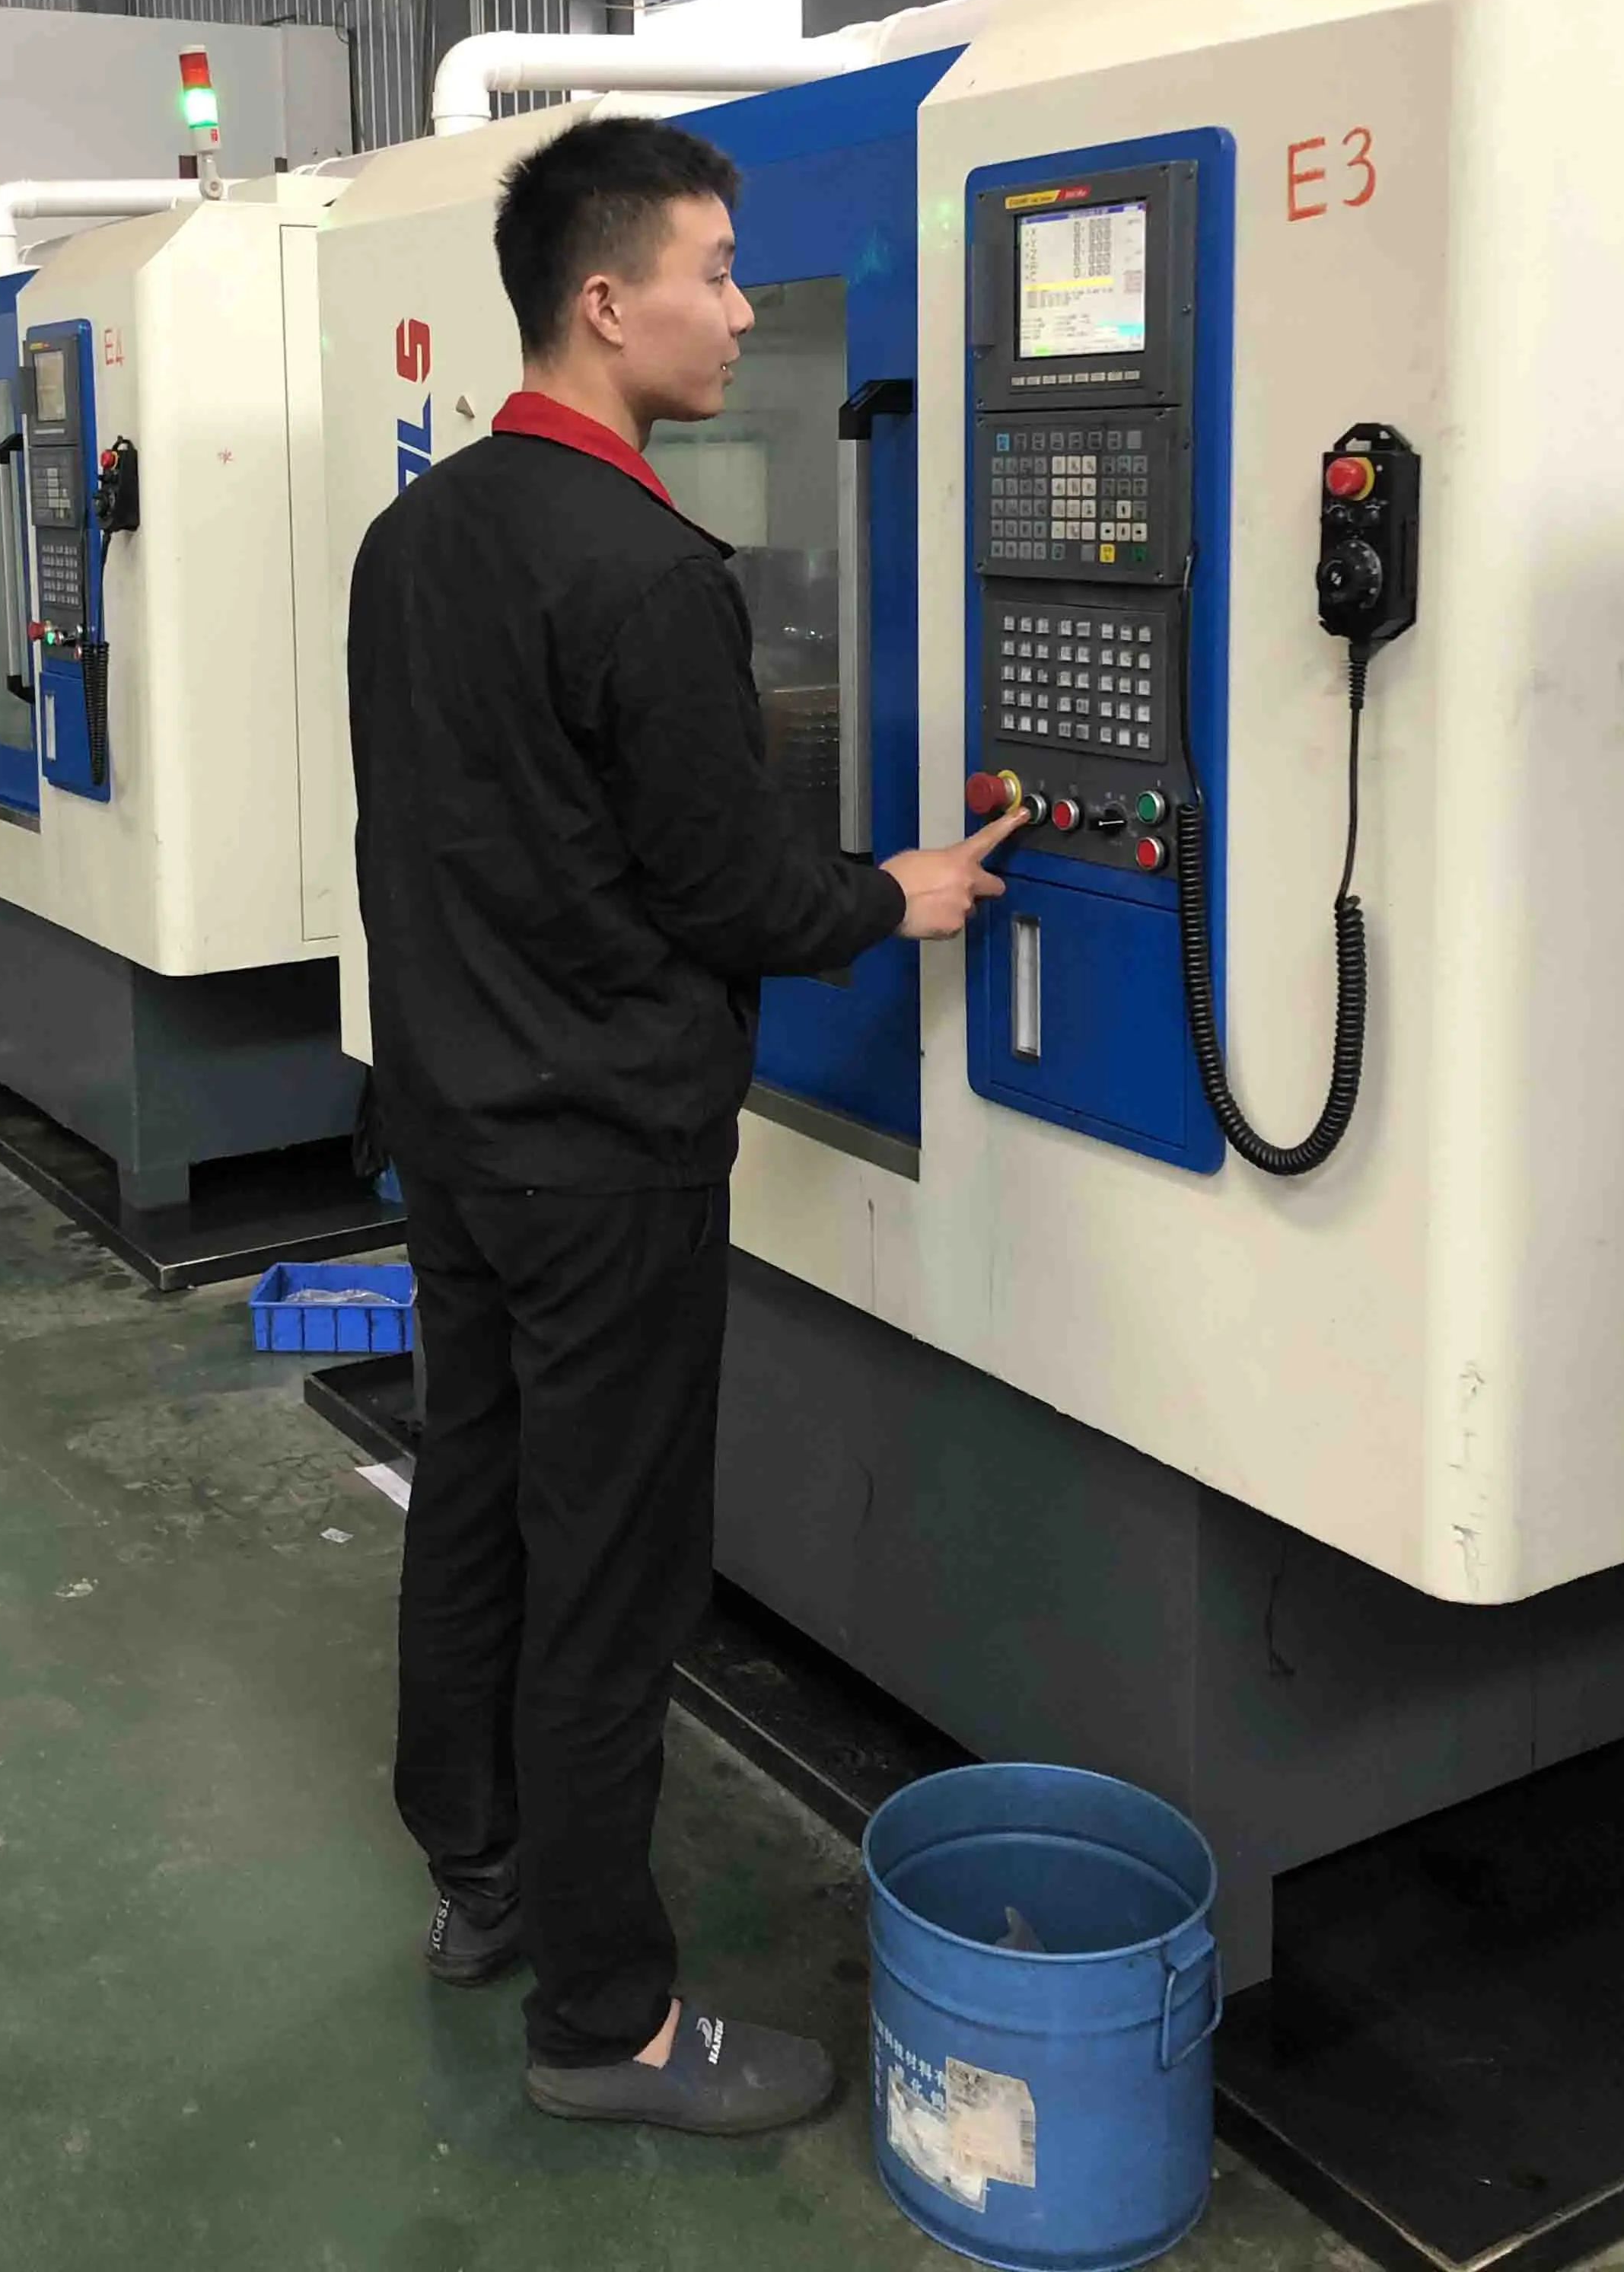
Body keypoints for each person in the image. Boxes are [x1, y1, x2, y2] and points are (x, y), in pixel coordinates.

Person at [346, 116, 1024, 2137]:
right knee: (611, 1576)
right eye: (715, 273)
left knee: (475, 1502)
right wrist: (891, 896)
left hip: (453, 1129)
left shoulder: (414, 539)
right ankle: (607, 2025)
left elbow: (482, 837)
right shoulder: (648, 573)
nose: (741, 313)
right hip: (604, 1157)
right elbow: (727, 892)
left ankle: (479, 1875)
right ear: (603, 298)